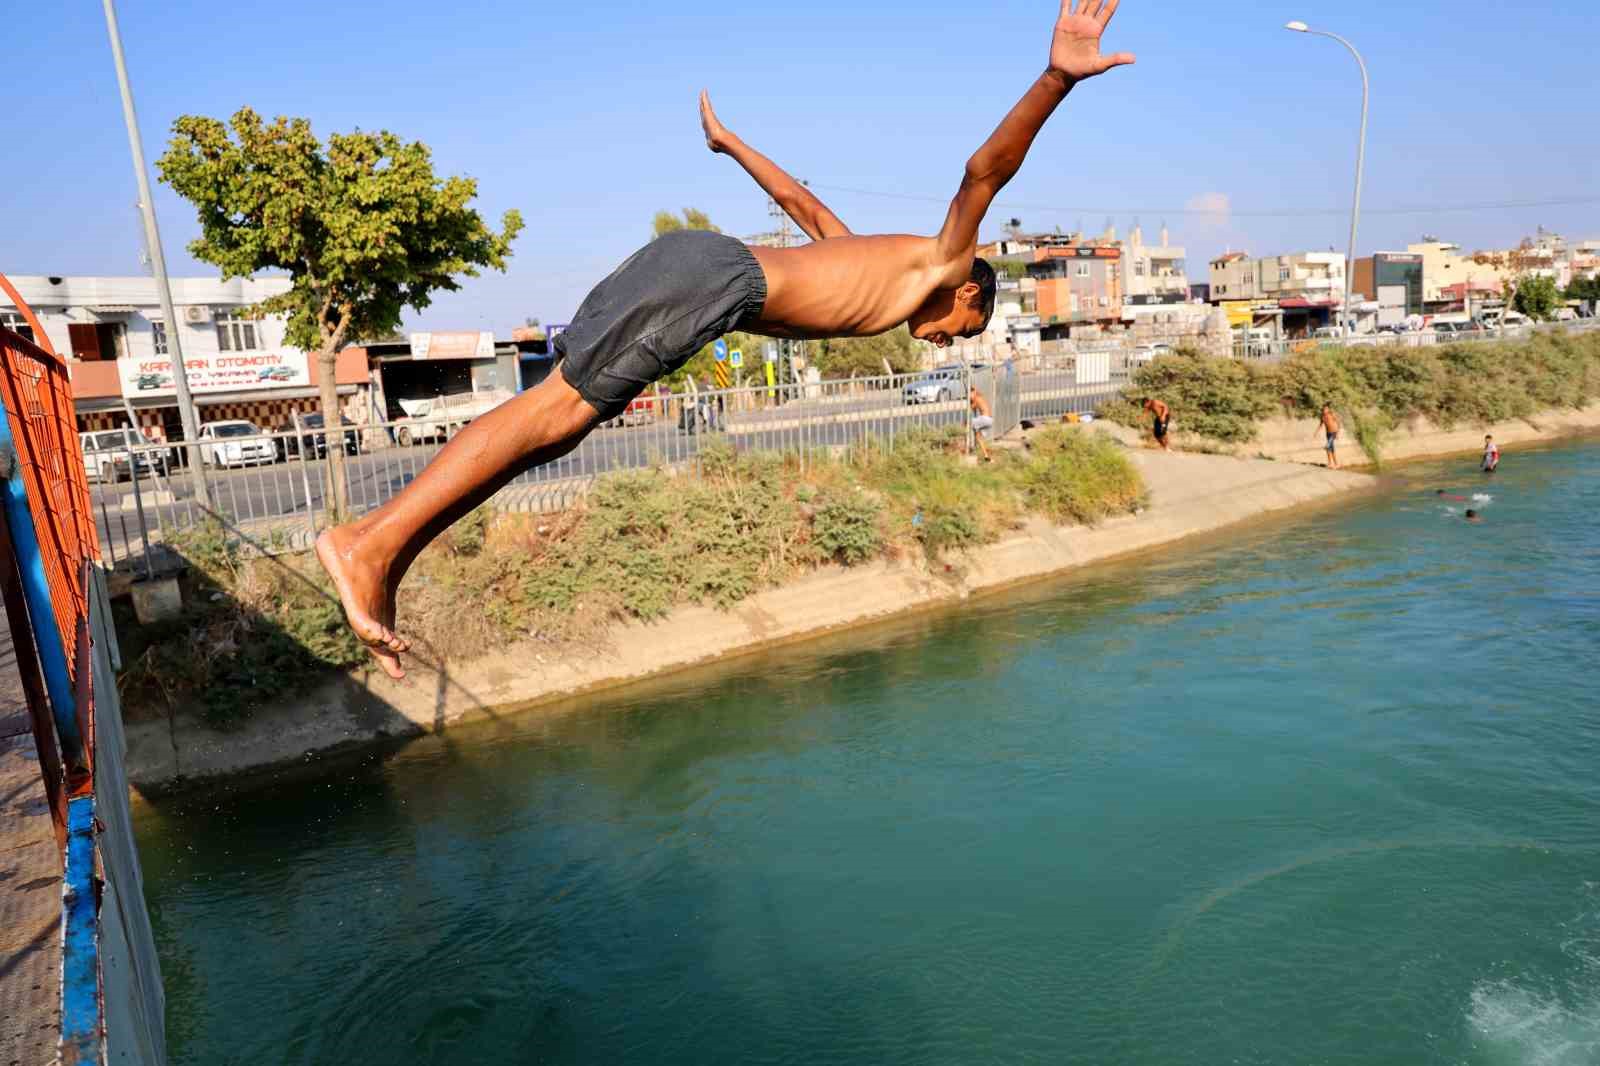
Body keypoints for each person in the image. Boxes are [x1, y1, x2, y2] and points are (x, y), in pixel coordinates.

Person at [316, 0, 1137, 678]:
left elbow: (797, 200)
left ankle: (386, 557)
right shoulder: (944, 258)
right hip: (713, 280)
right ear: (968, 291)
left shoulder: (869, 265)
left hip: (703, 273)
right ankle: (364, 544)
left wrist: (730, 144)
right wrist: (1056, 79)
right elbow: (983, 172)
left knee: (553, 432)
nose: (950, 343)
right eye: (965, 330)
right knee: (555, 414)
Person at [969, 385, 995, 462]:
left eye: (970, 394)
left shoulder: (977, 399)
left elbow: (971, 407)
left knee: (966, 423)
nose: (969, 396)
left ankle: (967, 444)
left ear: (974, 392)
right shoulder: (980, 397)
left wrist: (970, 402)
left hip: (985, 419)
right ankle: (986, 456)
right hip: (989, 420)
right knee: (978, 436)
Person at [1316, 404, 1341, 469]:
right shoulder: (1323, 417)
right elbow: (1320, 425)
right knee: (1331, 449)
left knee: (1327, 447)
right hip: (1328, 434)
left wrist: (1338, 433)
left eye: (1326, 409)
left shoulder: (1332, 415)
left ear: (1328, 409)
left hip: (1333, 433)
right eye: (1324, 409)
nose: (1325, 410)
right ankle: (1333, 464)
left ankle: (1334, 464)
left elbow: (1338, 422)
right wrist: (1316, 432)